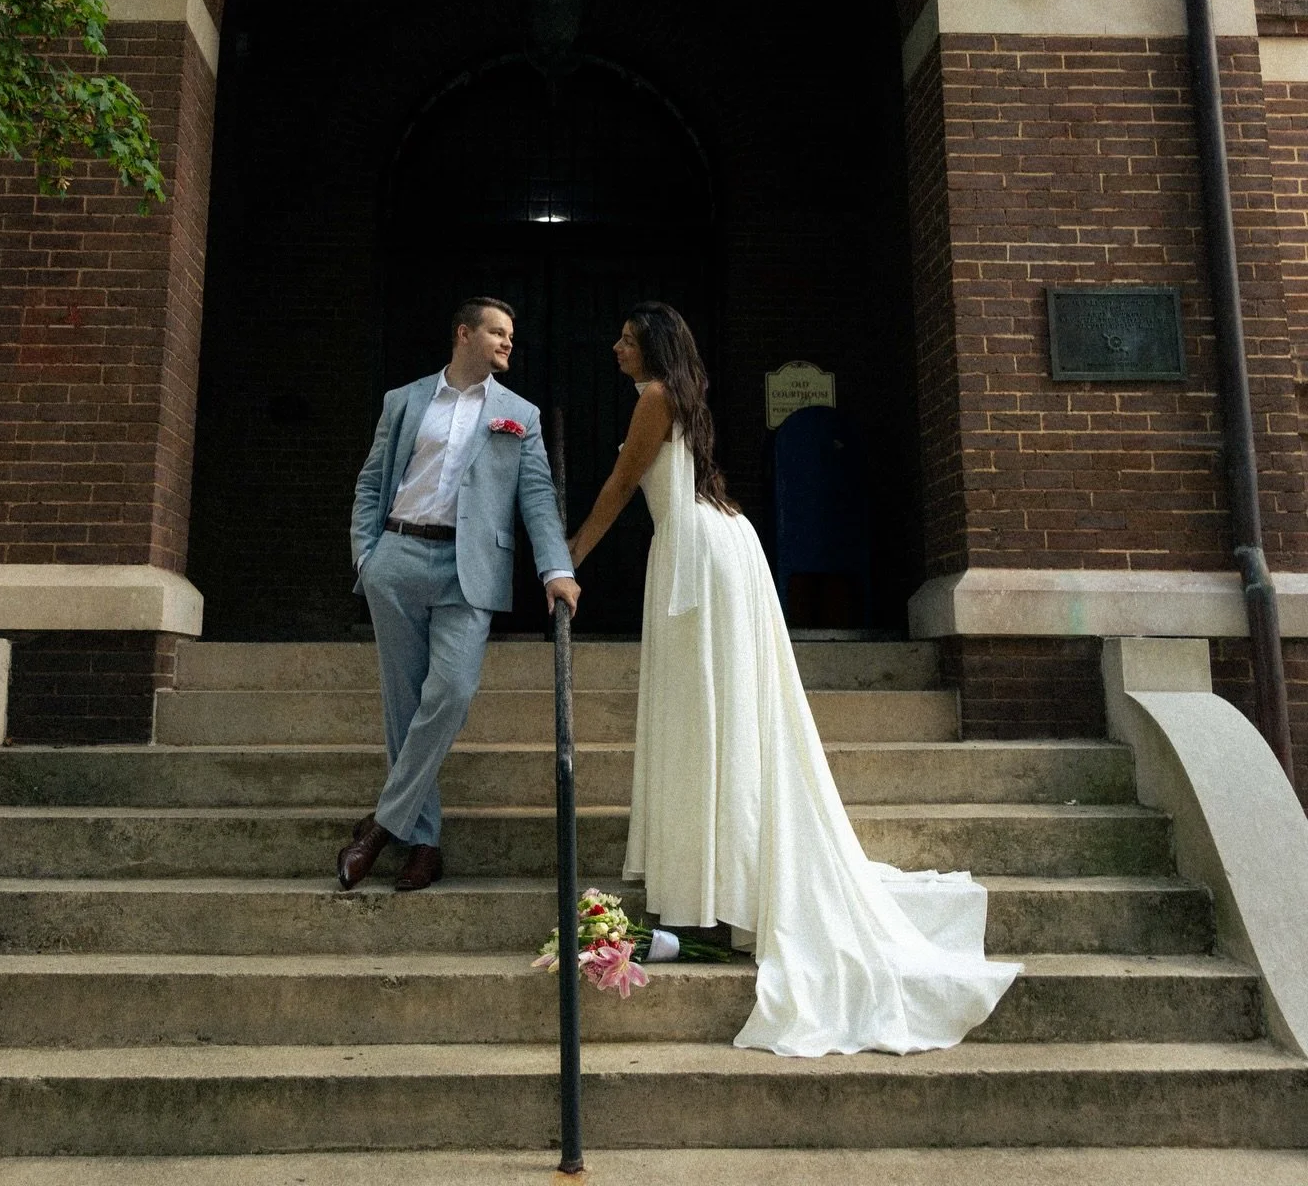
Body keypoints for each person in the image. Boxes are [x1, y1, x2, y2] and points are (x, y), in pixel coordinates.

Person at [567, 301, 1019, 1056]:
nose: (615, 346)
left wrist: (567, 560)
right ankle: (710, 885)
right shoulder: (677, 397)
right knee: (713, 717)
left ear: (652, 347)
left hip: (700, 561)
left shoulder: (652, 399)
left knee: (705, 718)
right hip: (715, 553)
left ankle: (709, 891)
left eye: (626, 337)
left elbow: (619, 487)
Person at [340, 296, 579, 892]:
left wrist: (555, 569)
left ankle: (381, 825)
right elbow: (372, 481)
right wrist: (368, 556)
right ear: (463, 334)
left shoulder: (518, 415)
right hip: (396, 558)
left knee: (449, 692)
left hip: (469, 569)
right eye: (497, 332)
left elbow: (538, 499)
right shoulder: (404, 401)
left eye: (511, 336)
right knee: (404, 706)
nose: (508, 343)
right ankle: (423, 842)